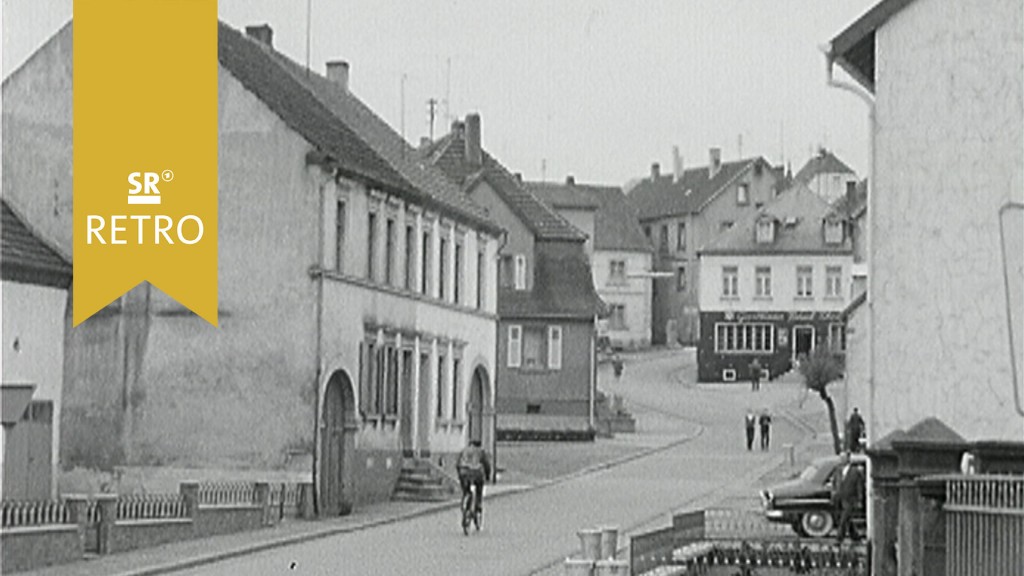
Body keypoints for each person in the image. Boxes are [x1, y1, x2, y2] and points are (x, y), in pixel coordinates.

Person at [834, 450, 865, 544]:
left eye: (843, 458)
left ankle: (839, 538)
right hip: (840, 499)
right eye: (840, 458)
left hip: (851, 499)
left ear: (848, 459)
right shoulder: (838, 470)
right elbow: (835, 483)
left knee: (844, 519)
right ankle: (855, 536)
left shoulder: (855, 471)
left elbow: (859, 486)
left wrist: (859, 499)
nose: (841, 460)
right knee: (847, 519)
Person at [456, 439, 492, 516]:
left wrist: (459, 474)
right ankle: (478, 504)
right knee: (479, 487)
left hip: (463, 472)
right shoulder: (481, 451)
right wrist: (488, 476)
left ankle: (466, 498)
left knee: (466, 489)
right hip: (476, 472)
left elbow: (458, 463)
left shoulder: (464, 450)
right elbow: (486, 465)